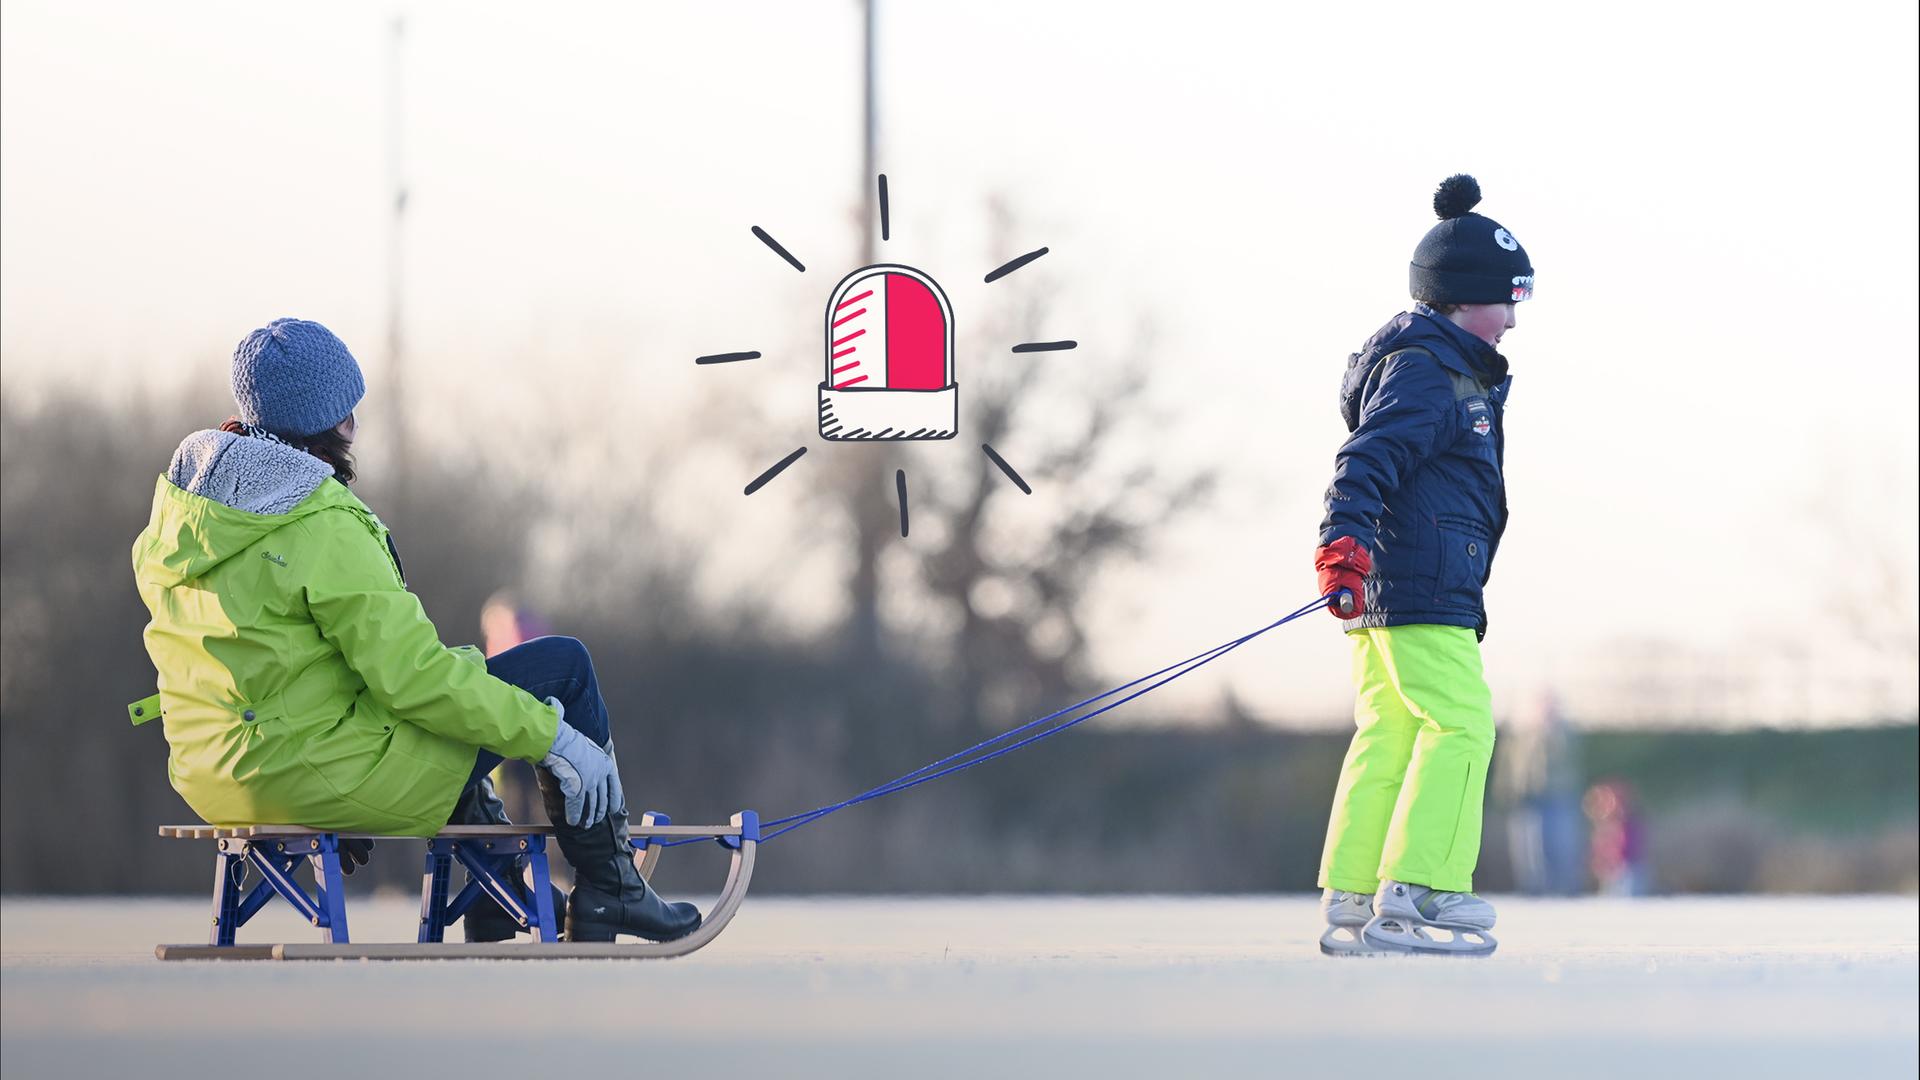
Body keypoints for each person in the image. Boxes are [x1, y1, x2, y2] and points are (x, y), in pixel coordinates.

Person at [130, 317, 699, 943]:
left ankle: (500, 886)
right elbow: (414, 679)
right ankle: (611, 891)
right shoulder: (320, 523)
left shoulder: (185, 518)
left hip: (213, 774)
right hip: (315, 767)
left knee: (452, 704)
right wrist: (555, 738)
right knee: (560, 668)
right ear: (336, 419)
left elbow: (296, 670)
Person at [1311, 175, 1531, 957]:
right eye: (1506, 300)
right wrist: (1343, 542)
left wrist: (1354, 558)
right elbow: (1365, 458)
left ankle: (1355, 890)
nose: (1511, 319)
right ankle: (1423, 889)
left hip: (1391, 584)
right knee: (1463, 722)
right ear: (1463, 296)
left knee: (1393, 727)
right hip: (1420, 584)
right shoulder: (1429, 371)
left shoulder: (1437, 366)